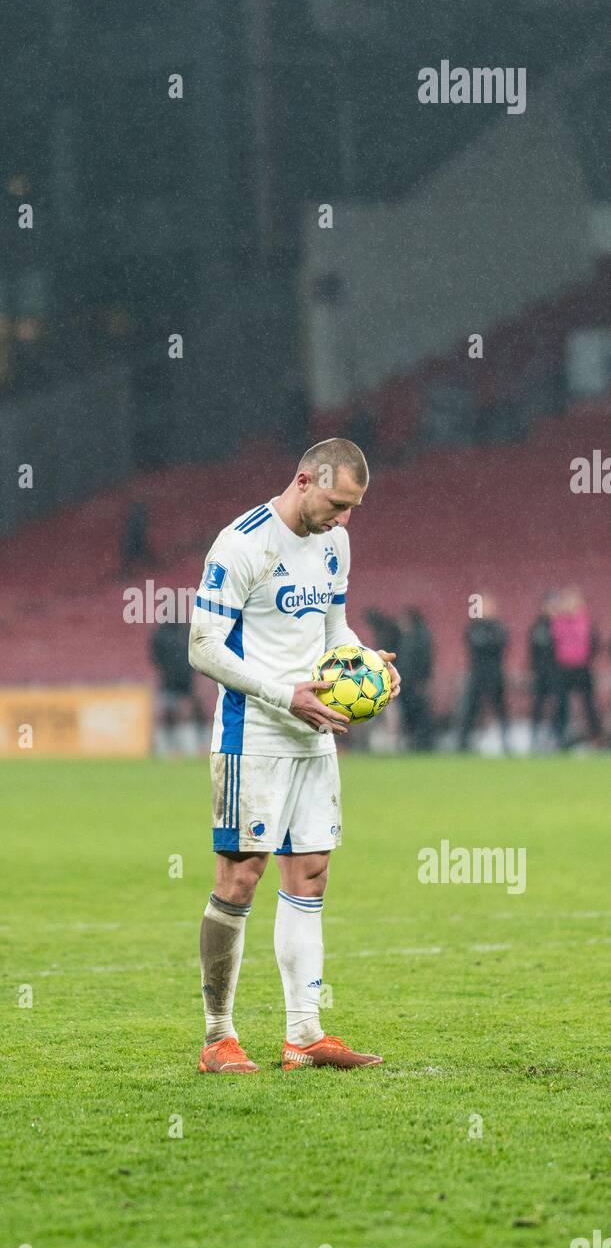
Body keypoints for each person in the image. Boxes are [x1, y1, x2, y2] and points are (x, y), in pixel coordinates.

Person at [188, 437, 400, 1075]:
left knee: (309, 876)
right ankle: (218, 1037)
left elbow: (332, 629)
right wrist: (287, 696)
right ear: (305, 480)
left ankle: (304, 1036)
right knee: (241, 877)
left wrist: (364, 659)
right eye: (338, 503)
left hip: (315, 733)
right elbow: (202, 648)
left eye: (354, 508)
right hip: (253, 734)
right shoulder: (242, 544)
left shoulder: (334, 542)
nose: (344, 519)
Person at [551, 587, 602, 747]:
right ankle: (560, 737)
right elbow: (551, 645)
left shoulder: (586, 622)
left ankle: (597, 738)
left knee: (589, 705)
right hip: (563, 668)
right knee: (561, 704)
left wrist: (586, 659)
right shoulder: (557, 623)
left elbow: (594, 643)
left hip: (582, 667)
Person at [458, 596, 510, 752]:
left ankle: (506, 742)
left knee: (501, 709)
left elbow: (498, 646)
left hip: (494, 674)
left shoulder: (498, 627)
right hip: (477, 674)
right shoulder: (474, 627)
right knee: (470, 709)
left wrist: (486, 644)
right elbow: (475, 645)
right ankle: (462, 743)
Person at [150, 618, 205, 755]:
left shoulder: (164, 632)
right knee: (177, 716)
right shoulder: (184, 631)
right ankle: (183, 750)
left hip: (174, 682)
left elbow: (155, 656)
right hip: (178, 682)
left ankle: (168, 751)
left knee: (171, 717)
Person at [398, 608, 435, 750]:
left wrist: (418, 680)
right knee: (416, 714)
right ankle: (418, 741)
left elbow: (420, 663)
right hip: (411, 683)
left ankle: (420, 742)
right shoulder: (415, 637)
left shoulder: (415, 639)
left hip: (412, 684)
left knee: (416, 714)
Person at [528, 592, 560, 751]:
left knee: (559, 707)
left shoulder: (562, 626)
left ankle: (557, 737)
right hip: (542, 674)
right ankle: (535, 738)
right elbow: (533, 651)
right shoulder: (538, 627)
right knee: (538, 706)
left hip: (559, 674)